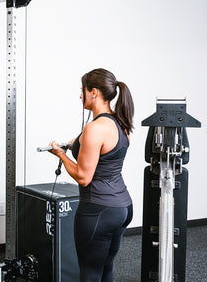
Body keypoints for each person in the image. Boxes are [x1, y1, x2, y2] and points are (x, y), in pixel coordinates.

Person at [48, 68, 134, 282]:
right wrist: (72, 144)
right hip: (122, 208)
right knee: (105, 269)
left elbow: (83, 176)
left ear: (94, 92)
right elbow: (104, 154)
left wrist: (60, 154)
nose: (80, 96)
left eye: (82, 91)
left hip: (98, 210)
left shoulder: (94, 128)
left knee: (90, 274)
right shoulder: (121, 123)